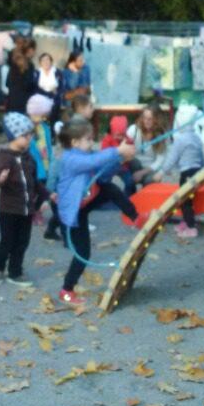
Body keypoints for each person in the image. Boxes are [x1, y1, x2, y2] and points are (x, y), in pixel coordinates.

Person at [56, 118, 138, 306]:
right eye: (88, 139)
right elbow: (95, 160)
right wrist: (117, 151)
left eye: (92, 138)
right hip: (75, 211)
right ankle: (66, 290)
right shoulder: (71, 159)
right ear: (75, 142)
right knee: (83, 253)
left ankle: (136, 217)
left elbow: (104, 170)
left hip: (87, 201)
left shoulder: (85, 154)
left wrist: (121, 158)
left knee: (110, 188)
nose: (91, 142)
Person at [0, 112, 47, 287]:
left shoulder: (28, 157)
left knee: (23, 241)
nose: (30, 138)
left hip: (27, 208)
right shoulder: (4, 156)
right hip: (9, 208)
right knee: (7, 240)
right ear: (14, 136)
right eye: (25, 135)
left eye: (30, 134)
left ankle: (15, 271)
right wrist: (0, 179)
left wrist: (48, 194)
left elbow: (35, 181)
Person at [155, 104, 204, 239]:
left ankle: (191, 228)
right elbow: (201, 156)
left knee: (185, 201)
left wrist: (162, 172)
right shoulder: (196, 138)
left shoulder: (180, 140)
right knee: (188, 199)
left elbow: (172, 157)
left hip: (187, 174)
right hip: (198, 173)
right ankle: (187, 222)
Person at [27, 95, 60, 240]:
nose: (45, 116)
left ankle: (37, 209)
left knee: (44, 190)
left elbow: (48, 145)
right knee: (36, 190)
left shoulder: (45, 127)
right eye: (43, 114)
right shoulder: (28, 129)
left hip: (46, 163)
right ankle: (34, 212)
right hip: (35, 165)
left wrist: (52, 159)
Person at [3, 45, 37, 121]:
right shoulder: (29, 66)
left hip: (13, 101)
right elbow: (29, 85)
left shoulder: (12, 67)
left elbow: (7, 84)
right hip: (25, 101)